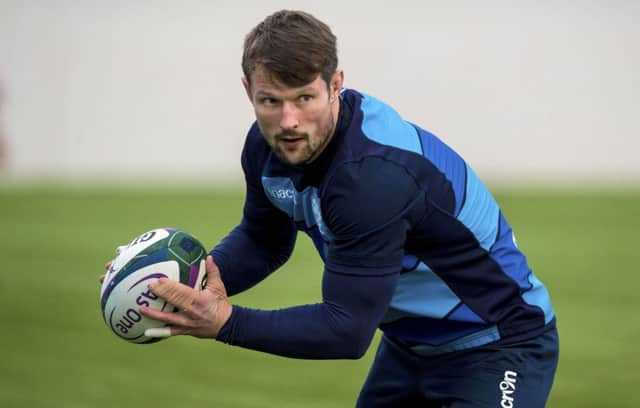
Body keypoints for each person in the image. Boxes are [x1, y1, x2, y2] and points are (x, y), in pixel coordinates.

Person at [115, 10, 559, 407]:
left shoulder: (370, 177)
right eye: (271, 101)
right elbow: (263, 240)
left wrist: (223, 321)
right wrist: (188, 281)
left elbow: (346, 329)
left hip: (501, 344)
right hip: (410, 348)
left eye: (304, 98)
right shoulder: (264, 147)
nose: (288, 121)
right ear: (248, 90)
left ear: (336, 85)